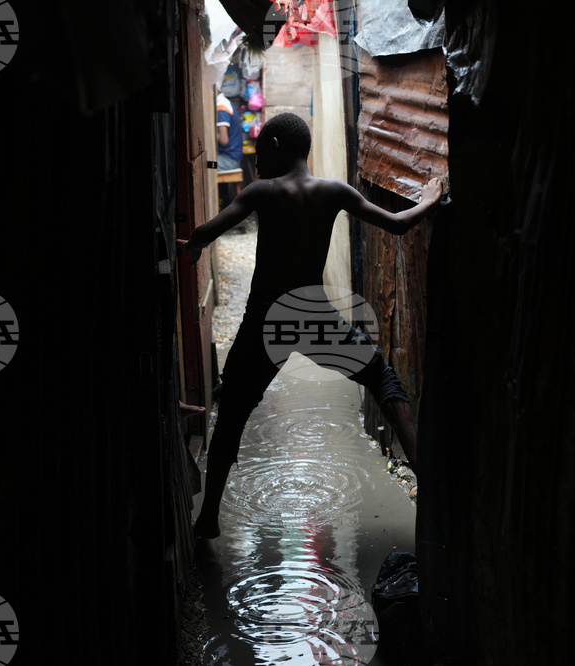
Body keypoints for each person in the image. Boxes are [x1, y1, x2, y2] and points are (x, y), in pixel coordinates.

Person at [178, 113, 443, 539]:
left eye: (262, 150)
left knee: (231, 416)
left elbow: (207, 232)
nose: (258, 161)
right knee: (380, 375)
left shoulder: (262, 191)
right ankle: (431, 485)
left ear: (279, 144)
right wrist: (429, 199)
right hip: (312, 316)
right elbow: (398, 224)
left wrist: (190, 249)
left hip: (267, 322)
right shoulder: (334, 191)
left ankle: (208, 519)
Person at [216, 92, 244, 172]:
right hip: (232, 157)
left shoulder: (221, 107)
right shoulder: (225, 102)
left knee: (202, 167)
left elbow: (224, 140)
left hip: (229, 160)